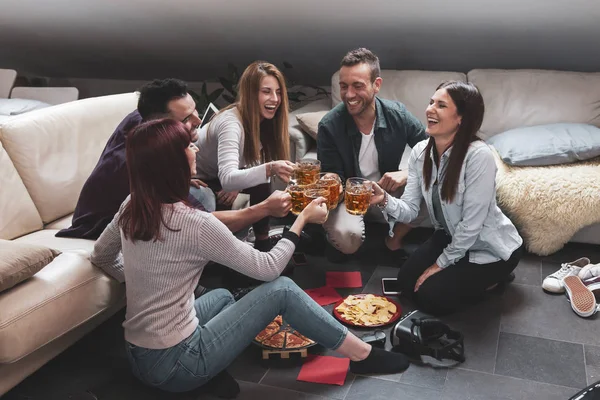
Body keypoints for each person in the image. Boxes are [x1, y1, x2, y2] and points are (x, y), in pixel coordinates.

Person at [90, 119, 410, 398]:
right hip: (177, 365)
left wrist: (147, 287)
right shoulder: (194, 223)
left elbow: (102, 256)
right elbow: (268, 269)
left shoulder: (132, 205)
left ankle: (206, 372)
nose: (197, 150)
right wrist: (301, 221)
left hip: (137, 354)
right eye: (189, 146)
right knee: (281, 290)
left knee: (221, 297)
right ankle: (361, 354)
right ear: (170, 162)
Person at [57, 78, 290, 241]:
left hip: (144, 201)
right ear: (159, 125)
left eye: (195, 111)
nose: (199, 121)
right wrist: (265, 209)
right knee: (203, 199)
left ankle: (258, 241)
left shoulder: (145, 118)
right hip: (101, 226)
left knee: (218, 188)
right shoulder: (140, 162)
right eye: (187, 119)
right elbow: (199, 222)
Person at [370, 81, 524, 315]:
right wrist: (383, 199)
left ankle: (496, 278)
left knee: (432, 298)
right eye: (431, 102)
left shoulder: (479, 156)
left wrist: (438, 265)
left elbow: (471, 226)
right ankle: (464, 275)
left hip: (491, 247)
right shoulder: (421, 152)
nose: (430, 109)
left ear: (461, 118)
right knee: (406, 284)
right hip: (450, 235)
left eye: (441, 105)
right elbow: (411, 211)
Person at [316, 48, 428, 261]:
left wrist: (406, 173)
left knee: (434, 185)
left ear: (376, 85)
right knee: (347, 241)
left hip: (386, 192)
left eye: (357, 86)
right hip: (347, 198)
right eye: (344, 86)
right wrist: (330, 182)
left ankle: (393, 242)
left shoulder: (397, 114)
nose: (349, 95)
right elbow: (332, 174)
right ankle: (328, 234)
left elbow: (433, 149)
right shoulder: (329, 126)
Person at [195, 61, 296, 251]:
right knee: (263, 174)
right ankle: (224, 256)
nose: (275, 99)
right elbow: (227, 179)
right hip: (199, 178)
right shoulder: (231, 124)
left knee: (261, 180)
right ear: (250, 93)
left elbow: (251, 162)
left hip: (220, 173)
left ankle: (262, 241)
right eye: (266, 91)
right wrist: (269, 168)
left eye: (278, 92)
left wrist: (240, 179)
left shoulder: (262, 120)